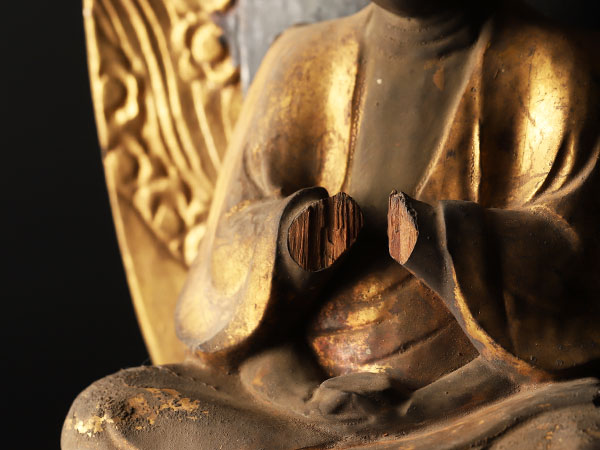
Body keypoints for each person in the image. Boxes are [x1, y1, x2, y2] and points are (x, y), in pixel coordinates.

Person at [62, 1, 600, 448]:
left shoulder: (555, 63)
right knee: (103, 417)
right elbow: (225, 274)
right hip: (291, 410)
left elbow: (571, 283)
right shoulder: (299, 59)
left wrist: (446, 243)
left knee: (577, 434)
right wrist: (289, 251)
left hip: (471, 413)